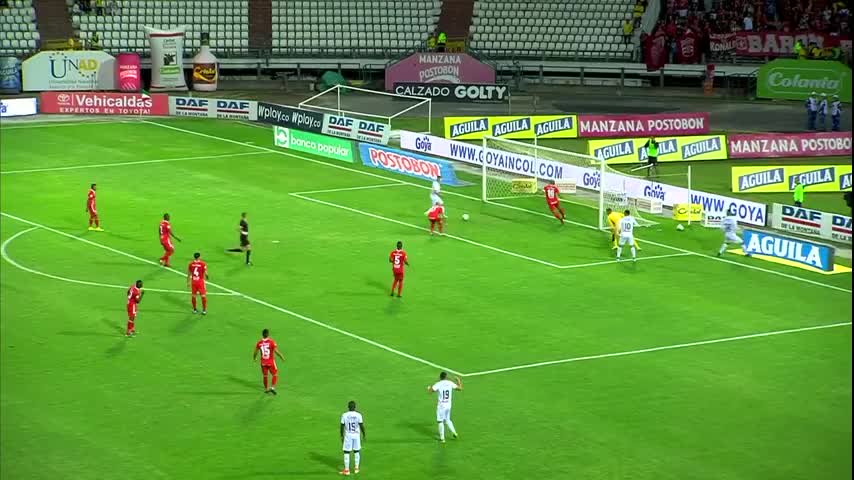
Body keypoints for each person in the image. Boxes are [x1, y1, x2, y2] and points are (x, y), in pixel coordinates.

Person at [427, 371, 463, 443]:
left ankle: (442, 438)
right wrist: (458, 380)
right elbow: (460, 388)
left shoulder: (439, 384)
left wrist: (428, 388)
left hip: (441, 406)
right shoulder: (450, 383)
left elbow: (431, 391)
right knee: (447, 419)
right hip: (448, 405)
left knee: (440, 421)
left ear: (440, 377)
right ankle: (454, 433)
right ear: (446, 377)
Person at [253, 328, 285, 394]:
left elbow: (255, 352)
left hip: (263, 363)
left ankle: (266, 389)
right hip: (271, 362)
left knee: (265, 376)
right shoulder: (271, 342)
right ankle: (272, 387)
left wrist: (254, 358)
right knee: (275, 374)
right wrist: (281, 356)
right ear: (268, 334)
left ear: (262, 335)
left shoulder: (259, 343)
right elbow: (276, 351)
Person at [340, 401, 365, 476]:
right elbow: (361, 425)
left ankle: (347, 470)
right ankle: (356, 468)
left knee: (346, 452)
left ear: (348, 407)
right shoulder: (358, 415)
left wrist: (341, 436)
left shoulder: (344, 415)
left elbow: (342, 426)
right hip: (356, 436)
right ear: (355, 407)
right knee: (356, 451)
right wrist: (364, 434)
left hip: (348, 436)